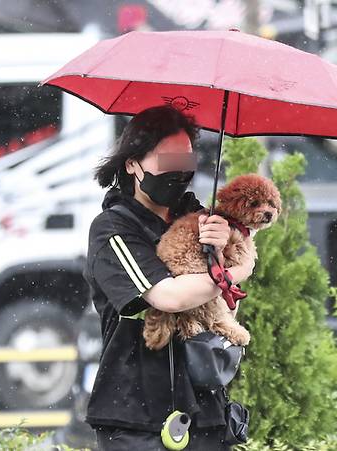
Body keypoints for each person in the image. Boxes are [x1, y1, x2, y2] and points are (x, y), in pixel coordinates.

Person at [83, 105, 255, 450]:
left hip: (204, 407)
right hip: (135, 416)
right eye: (167, 160)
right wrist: (238, 270)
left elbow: (222, 308)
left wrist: (225, 250)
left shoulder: (201, 220)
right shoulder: (113, 229)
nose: (178, 171)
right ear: (132, 164)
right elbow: (170, 298)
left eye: (186, 161)